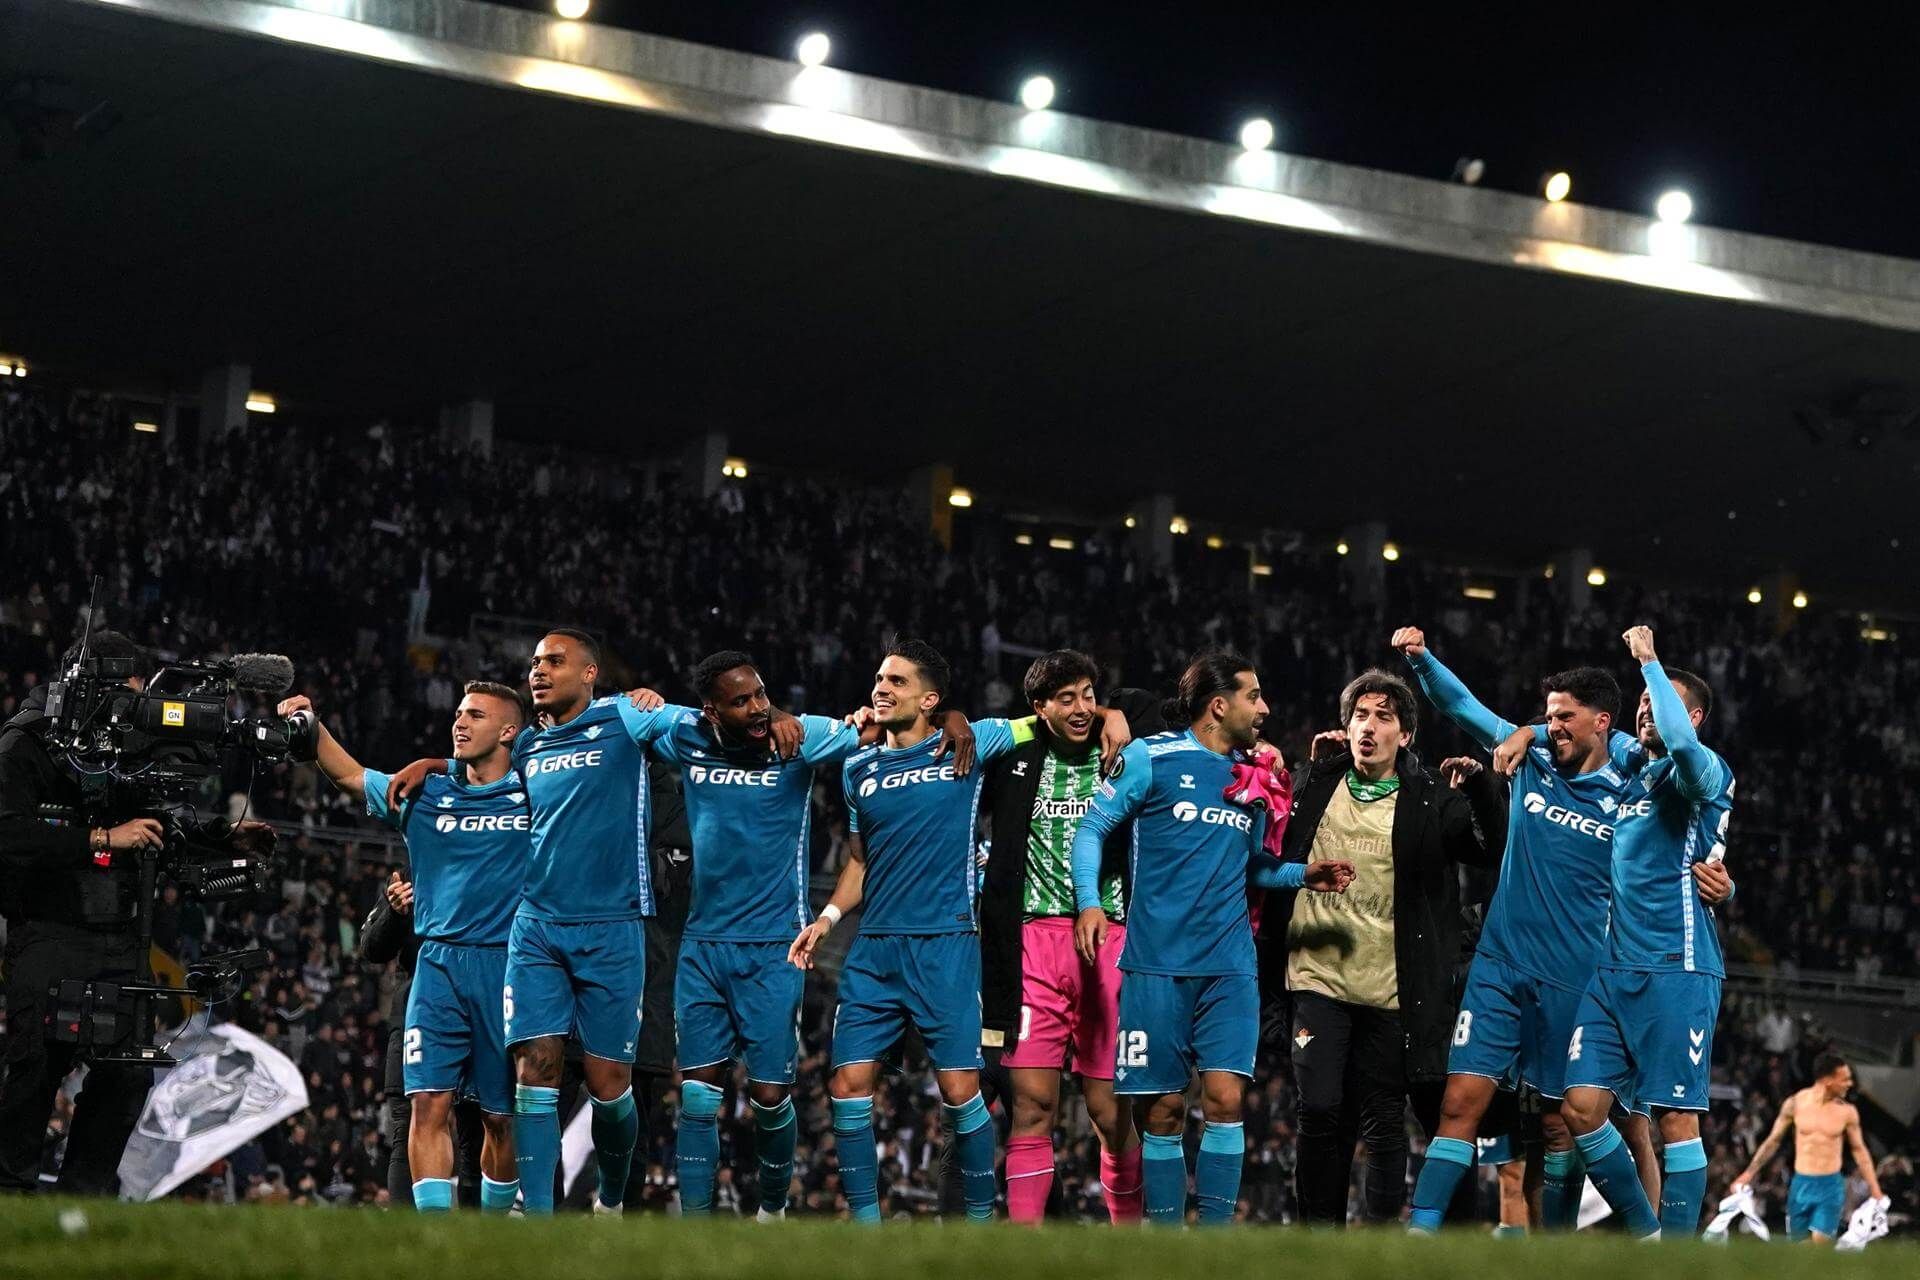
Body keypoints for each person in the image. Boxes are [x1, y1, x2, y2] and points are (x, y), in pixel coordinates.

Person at [388, 629, 799, 1214]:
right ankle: (533, 1217)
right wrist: (438, 763)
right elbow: (488, 770)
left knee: (613, 1093)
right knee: (536, 1076)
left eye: (555, 661)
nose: (539, 670)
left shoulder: (636, 731)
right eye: (535, 662)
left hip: (624, 948)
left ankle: (610, 1203)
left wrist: (773, 713)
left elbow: (718, 719)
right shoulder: (532, 747)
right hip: (542, 935)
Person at [1395, 628, 1734, 1231]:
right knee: (1467, 1106)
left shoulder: (1645, 775)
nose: (1551, 727)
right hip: (1507, 963)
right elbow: (1464, 708)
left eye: (1564, 718)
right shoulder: (1544, 758)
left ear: (1604, 723)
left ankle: (1586, 1247)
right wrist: (1422, 662)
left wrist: (1723, 880)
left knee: (1576, 1124)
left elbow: (1682, 767)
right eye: (1547, 716)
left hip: (1586, 974)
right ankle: (1418, 1239)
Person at [1070, 650, 1354, 1225]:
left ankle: (1218, 1240)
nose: (1265, 708)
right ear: (1219, 705)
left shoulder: (1254, 778)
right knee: (1165, 1112)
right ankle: (1169, 1241)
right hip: (1155, 967)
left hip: (1230, 967)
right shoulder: (1152, 757)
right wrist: (1090, 903)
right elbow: (1092, 829)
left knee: (1226, 1103)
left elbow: (1255, 868)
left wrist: (1305, 874)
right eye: (1255, 696)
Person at [0, 630, 271, 1195]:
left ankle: (83, 1201)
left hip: (122, 938)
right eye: (125, 692)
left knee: (126, 1074)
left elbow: (157, 828)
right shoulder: (24, 744)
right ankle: (11, 1194)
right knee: (35, 1072)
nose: (132, 706)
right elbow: (9, 834)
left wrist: (222, 836)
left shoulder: (125, 751)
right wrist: (100, 838)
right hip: (51, 933)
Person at [787, 639, 1026, 1224]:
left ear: (930, 697)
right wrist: (827, 918)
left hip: (946, 944)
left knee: (961, 1093)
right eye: (878, 678)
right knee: (847, 1087)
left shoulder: (970, 745)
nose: (880, 688)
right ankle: (868, 1229)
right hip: (874, 952)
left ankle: (977, 1223)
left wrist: (1112, 714)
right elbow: (860, 864)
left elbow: (1039, 721)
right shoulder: (857, 768)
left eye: (896, 680)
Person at [280, 683, 528, 1213]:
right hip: (435, 968)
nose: (460, 723)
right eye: (459, 714)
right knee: (426, 1103)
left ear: (509, 731)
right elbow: (349, 775)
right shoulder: (423, 795)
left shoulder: (536, 796)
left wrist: (435, 760)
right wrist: (312, 723)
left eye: (476, 716)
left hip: (505, 966)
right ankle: (434, 1235)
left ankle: (499, 1229)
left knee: (500, 1120)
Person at [638, 650, 867, 1220]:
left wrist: (799, 715)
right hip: (702, 944)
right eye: (742, 701)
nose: (759, 708)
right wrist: (638, 699)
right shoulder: (686, 734)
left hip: (774, 948)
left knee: (770, 1095)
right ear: (712, 710)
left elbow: (871, 726)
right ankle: (695, 1222)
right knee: (696, 1092)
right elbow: (614, 714)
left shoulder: (800, 738)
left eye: (762, 694)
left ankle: (770, 1215)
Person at [1279, 668, 1503, 1226]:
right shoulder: (1316, 783)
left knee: (1383, 1121)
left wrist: (1478, 788)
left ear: (1405, 735)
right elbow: (1274, 850)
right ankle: (1317, 1237)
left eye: (1384, 718)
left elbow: (1489, 848)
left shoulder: (1430, 797)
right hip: (1318, 977)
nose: (1369, 727)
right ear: (1345, 725)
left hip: (1390, 990)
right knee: (1320, 1109)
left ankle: (1379, 1239)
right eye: (1360, 716)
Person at [1547, 626, 1736, 1239]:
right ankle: (1647, 1236)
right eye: (1643, 702)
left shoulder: (1702, 769)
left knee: (1676, 1121)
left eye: (1662, 704)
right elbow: (1578, 726)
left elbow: (1681, 747)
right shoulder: (1633, 766)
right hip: (1613, 970)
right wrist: (1525, 731)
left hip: (1678, 966)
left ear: (1695, 715)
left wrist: (1651, 661)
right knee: (1580, 1109)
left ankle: (1673, 1258)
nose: (1647, 710)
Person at [978, 650, 1144, 1224]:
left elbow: (1179, 712)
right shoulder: (1015, 754)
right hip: (1032, 945)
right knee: (1032, 1105)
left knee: (1109, 1111)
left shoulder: (1125, 753)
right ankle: (1025, 1245)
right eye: (1065, 698)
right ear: (1039, 708)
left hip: (1109, 941)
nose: (1081, 709)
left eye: (1088, 695)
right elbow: (960, 737)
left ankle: (1132, 1241)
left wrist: (1117, 713)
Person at [1734, 1052, 1885, 1243]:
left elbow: (1859, 1150)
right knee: (1800, 1248)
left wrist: (1875, 1188)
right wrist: (1748, 1174)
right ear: (1828, 1080)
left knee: (1818, 1245)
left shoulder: (1847, 1112)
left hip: (1830, 1186)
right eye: (1845, 1079)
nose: (1850, 1084)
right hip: (1800, 1185)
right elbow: (1773, 1141)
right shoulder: (1795, 1104)